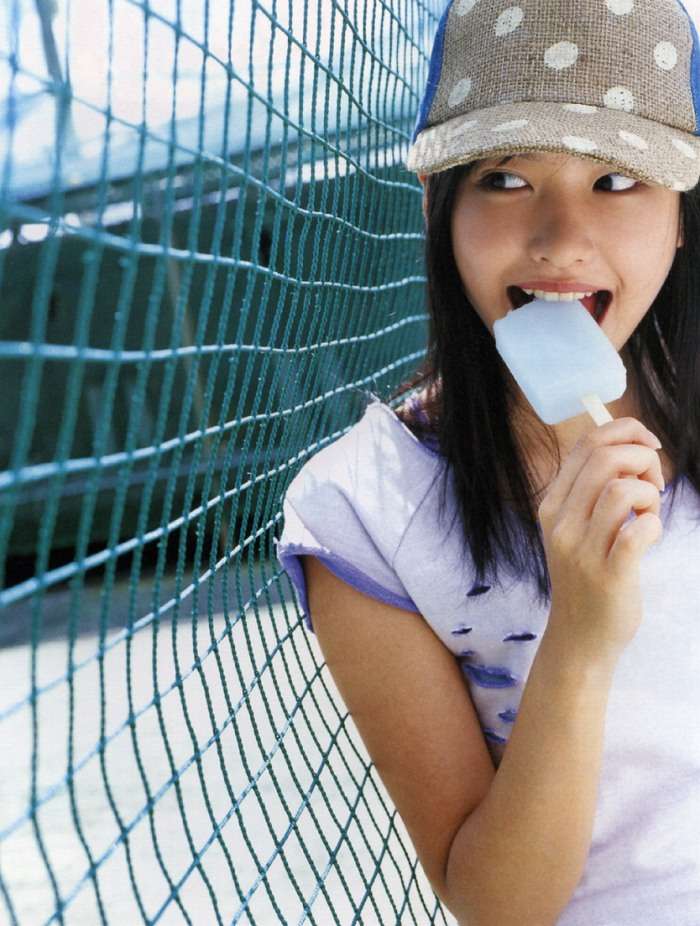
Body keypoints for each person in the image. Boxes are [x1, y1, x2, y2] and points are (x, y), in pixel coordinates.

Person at [275, 1, 700, 923]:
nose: (560, 240)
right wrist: (581, 635)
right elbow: (496, 907)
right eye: (504, 178)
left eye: (617, 179)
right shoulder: (364, 507)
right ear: (437, 205)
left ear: (680, 217)